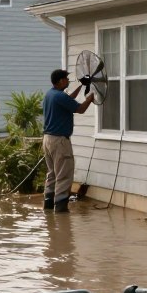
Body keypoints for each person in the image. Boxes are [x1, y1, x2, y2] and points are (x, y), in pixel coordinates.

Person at [42, 68, 94, 212]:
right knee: (64, 175)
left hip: (47, 139)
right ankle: (60, 211)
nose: (68, 80)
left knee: (52, 173)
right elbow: (80, 109)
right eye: (66, 78)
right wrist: (91, 97)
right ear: (60, 81)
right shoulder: (60, 96)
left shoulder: (50, 94)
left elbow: (68, 100)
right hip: (59, 141)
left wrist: (82, 86)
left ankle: (48, 207)